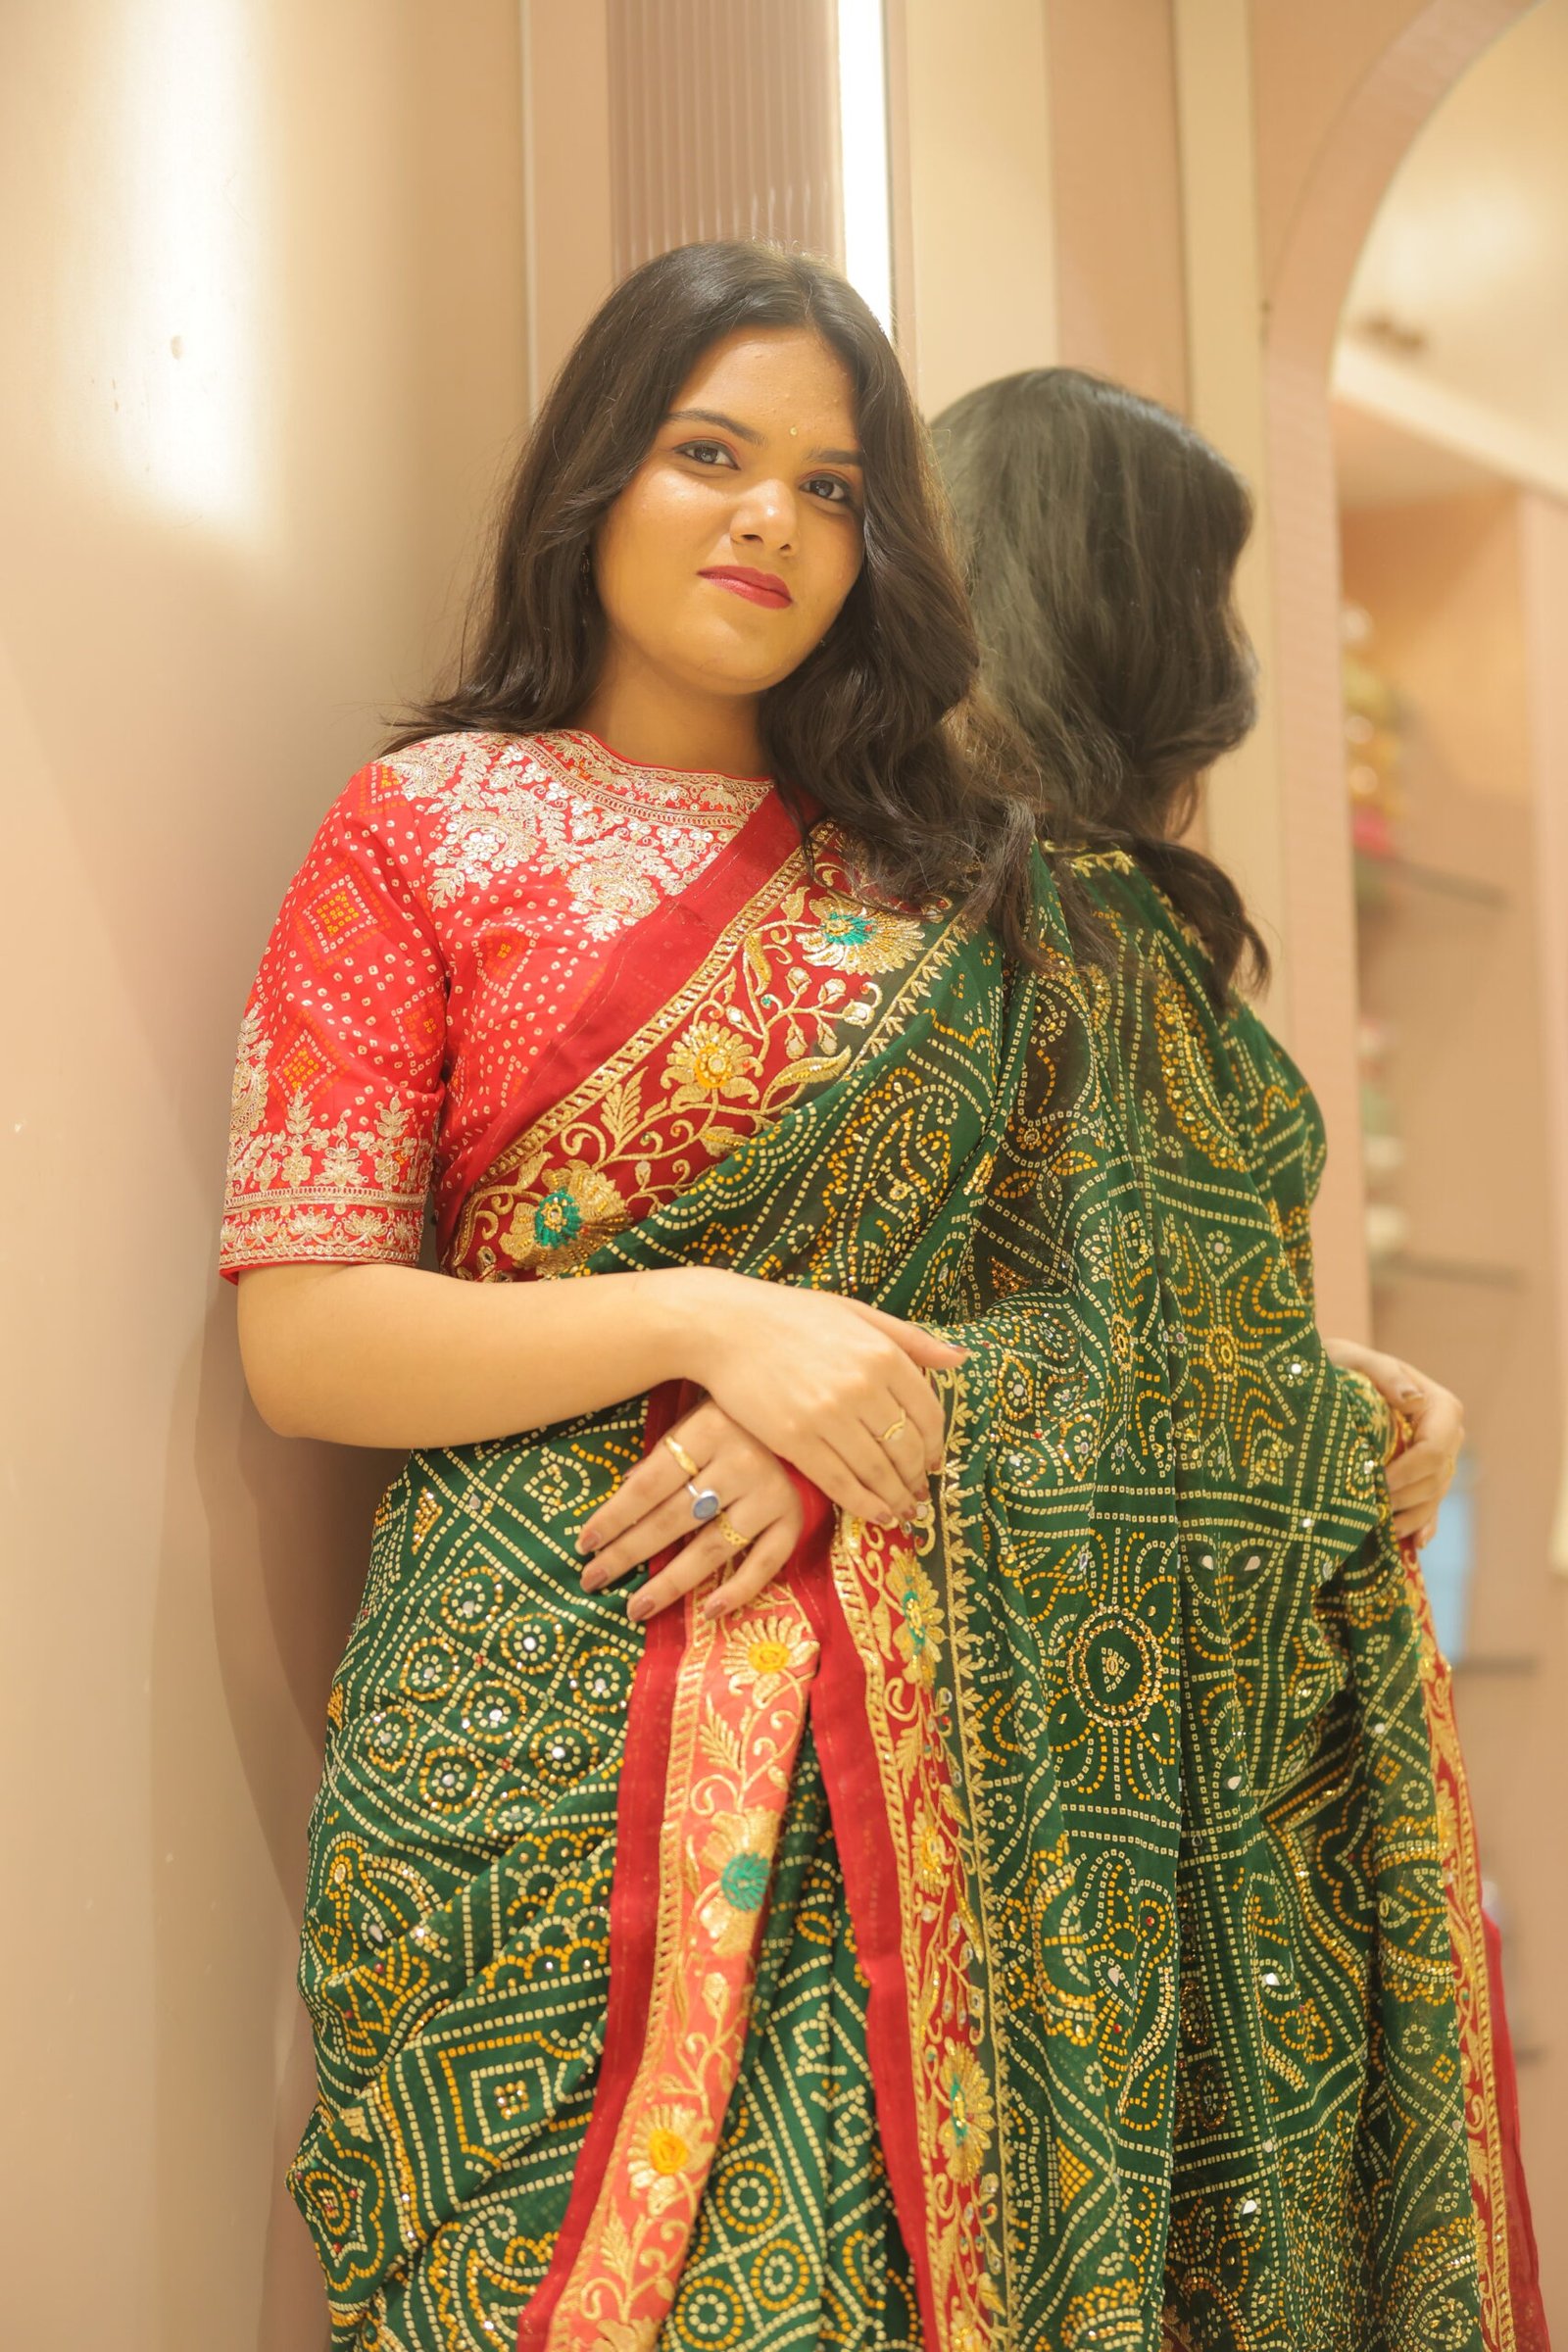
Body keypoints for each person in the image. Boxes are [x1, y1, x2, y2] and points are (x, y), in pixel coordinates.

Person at [224, 243, 1488, 2352]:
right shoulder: (421, 831)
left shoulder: (981, 892)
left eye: (833, 489)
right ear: (591, 480)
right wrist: (713, 1318)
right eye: (709, 453)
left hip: (904, 1742)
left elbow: (1101, 1332)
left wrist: (1317, 1391)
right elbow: (308, 1338)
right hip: (520, 1739)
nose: (767, 523)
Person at [933, 364, 1548, 2352]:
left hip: (1098, 1733)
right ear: (1143, 616)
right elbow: (1101, 1355)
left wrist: (1327, 1386)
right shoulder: (1048, 935)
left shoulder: (1030, 924)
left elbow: (1130, 1321)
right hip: (1124, 1751)